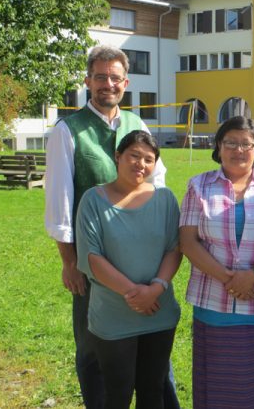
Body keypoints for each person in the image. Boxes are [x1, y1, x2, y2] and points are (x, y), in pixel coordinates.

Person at [44, 45, 179, 408]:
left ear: (125, 83)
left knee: (154, 356)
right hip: (96, 260)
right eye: (100, 77)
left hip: (145, 261)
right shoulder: (68, 130)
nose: (108, 84)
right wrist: (69, 262)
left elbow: (159, 188)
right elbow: (59, 201)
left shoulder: (138, 125)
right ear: (88, 81)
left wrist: (158, 274)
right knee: (95, 348)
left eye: (115, 78)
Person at [179, 116, 254, 409]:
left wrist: (253, 275)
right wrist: (230, 279)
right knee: (219, 389)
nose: (238, 150)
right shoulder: (198, 186)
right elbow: (188, 242)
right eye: (230, 142)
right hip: (214, 305)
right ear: (219, 146)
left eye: (246, 144)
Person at [76, 130, 181, 409]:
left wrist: (155, 289)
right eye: (134, 156)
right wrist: (135, 294)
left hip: (159, 312)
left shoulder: (165, 199)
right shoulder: (93, 200)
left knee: (153, 391)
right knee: (117, 393)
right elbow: (91, 256)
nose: (140, 164)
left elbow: (174, 248)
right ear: (118, 156)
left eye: (149, 159)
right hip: (113, 316)